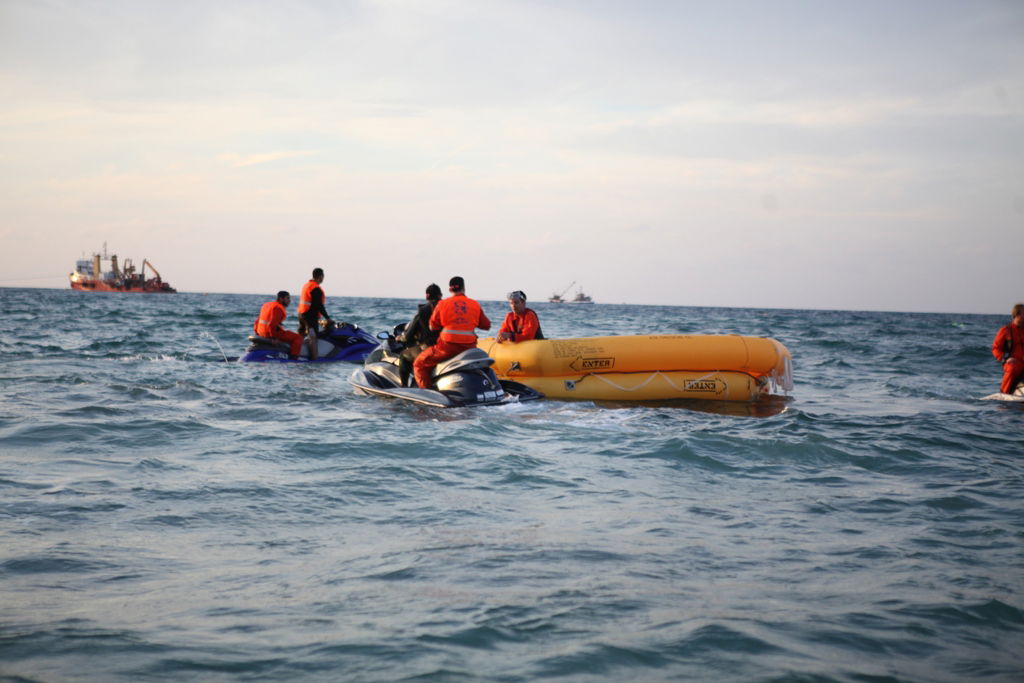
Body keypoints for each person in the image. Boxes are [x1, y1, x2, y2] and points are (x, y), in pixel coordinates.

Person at [413, 276, 491, 389]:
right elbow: (486, 326)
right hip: (469, 348)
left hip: (447, 348)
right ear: (464, 288)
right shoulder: (474, 304)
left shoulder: (442, 304)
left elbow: (432, 326)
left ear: (450, 290)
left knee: (419, 364)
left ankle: (427, 392)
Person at [396, 283, 443, 386]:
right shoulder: (448, 309)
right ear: (440, 295)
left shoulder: (422, 311)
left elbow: (408, 335)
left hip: (429, 348)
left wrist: (400, 338)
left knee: (404, 355)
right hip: (448, 346)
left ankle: (404, 387)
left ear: (427, 296)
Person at [254, 290, 304, 359]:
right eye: (287, 298)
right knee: (298, 338)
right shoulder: (278, 308)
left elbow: (257, 321)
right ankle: (294, 358)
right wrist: (273, 338)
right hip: (270, 333)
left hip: (261, 332)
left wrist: (257, 333)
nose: (289, 301)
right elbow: (272, 324)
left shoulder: (267, 305)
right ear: (281, 299)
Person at [991, 303, 1024, 394]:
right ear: (1017, 315)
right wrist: (1006, 358)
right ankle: (1004, 393)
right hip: (1012, 362)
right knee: (1011, 369)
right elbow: (995, 348)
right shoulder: (1006, 330)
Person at [296, 267, 332, 336]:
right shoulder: (315, 288)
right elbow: (319, 305)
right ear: (321, 276)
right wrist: (328, 318)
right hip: (309, 316)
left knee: (301, 335)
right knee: (313, 336)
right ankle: (313, 347)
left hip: (301, 314)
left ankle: (298, 346)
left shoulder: (307, 285)